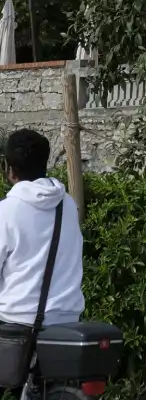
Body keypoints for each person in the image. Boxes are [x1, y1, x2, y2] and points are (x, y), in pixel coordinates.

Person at [0, 130, 84, 331]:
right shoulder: (68, 205)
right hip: (67, 321)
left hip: (16, 323)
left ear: (10, 170)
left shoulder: (6, 211)